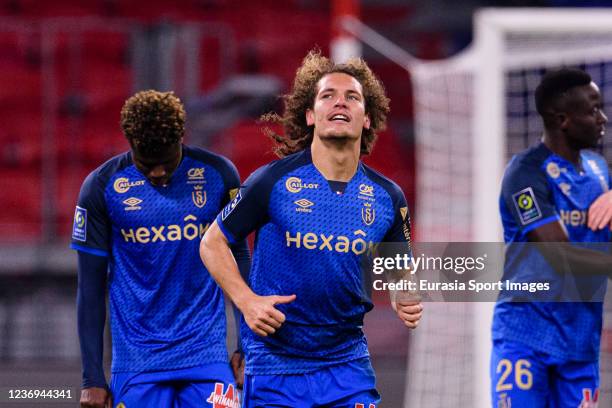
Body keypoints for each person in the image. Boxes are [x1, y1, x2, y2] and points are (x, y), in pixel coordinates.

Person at [200, 50, 422, 407]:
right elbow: (212, 243)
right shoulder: (271, 182)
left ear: (367, 118)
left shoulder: (388, 197)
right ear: (310, 115)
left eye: (352, 97)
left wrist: (403, 295)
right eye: (328, 96)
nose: (341, 103)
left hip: (347, 366)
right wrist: (247, 301)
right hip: (275, 367)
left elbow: (401, 270)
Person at [71, 90, 249, 408]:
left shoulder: (219, 176)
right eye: (146, 163)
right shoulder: (101, 187)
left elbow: (239, 258)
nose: (156, 172)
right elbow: (90, 287)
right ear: (129, 142)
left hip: (206, 355)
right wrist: (92, 378)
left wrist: (246, 345)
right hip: (137, 364)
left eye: (165, 162)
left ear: (182, 136)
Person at [492, 68, 612, 407]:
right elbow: (560, 258)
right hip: (526, 337)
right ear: (563, 120)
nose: (602, 118)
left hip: (580, 344)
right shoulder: (525, 175)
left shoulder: (599, 171)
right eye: (592, 110)